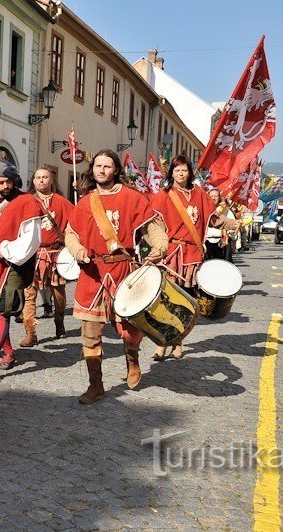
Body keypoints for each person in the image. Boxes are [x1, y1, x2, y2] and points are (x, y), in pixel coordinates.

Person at [63, 149, 168, 404]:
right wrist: (78, 251)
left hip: (123, 271)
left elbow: (153, 229)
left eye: (107, 166)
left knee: (129, 330)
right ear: (92, 169)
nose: (101, 170)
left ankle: (132, 360)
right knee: (89, 333)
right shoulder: (85, 202)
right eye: (97, 165)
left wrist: (159, 247)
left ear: (116, 170)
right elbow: (71, 234)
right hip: (93, 274)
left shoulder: (133, 199)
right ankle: (95, 385)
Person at [150, 155, 241, 360]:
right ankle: (162, 343)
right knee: (165, 300)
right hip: (171, 254)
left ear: (190, 172)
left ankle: (178, 342)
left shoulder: (199, 194)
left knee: (184, 300)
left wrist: (231, 224)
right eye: (177, 170)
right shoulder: (163, 195)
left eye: (184, 170)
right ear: (171, 173)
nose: (181, 174)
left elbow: (214, 219)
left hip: (192, 255)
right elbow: (152, 222)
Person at [0, 159, 42, 379]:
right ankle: (9, 353)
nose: (6, 186)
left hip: (13, 264)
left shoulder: (27, 202)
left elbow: (31, 240)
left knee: (3, 311)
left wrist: (5, 250)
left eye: (9, 181)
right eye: (1, 181)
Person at [20, 167, 74, 346]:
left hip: (54, 253)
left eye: (45, 177)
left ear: (51, 180)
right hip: (32, 255)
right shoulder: (25, 202)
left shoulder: (62, 202)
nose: (42, 180)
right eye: (38, 178)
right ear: (33, 181)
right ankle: (31, 333)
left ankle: (59, 321)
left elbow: (74, 223)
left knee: (58, 295)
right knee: (29, 294)